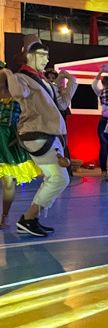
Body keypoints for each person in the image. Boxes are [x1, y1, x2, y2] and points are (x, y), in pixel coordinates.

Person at [5, 37, 71, 238]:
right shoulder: (22, 77)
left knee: (56, 178)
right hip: (36, 134)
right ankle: (28, 218)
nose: (46, 59)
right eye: (42, 55)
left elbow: (62, 104)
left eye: (47, 55)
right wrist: (9, 74)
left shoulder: (41, 79)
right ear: (30, 56)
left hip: (47, 134)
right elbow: (19, 93)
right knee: (59, 178)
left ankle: (31, 219)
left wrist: (69, 82)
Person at [0, 64, 42, 229]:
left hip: (8, 141)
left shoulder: (19, 96)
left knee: (8, 182)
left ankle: (4, 216)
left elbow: (31, 117)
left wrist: (20, 135)